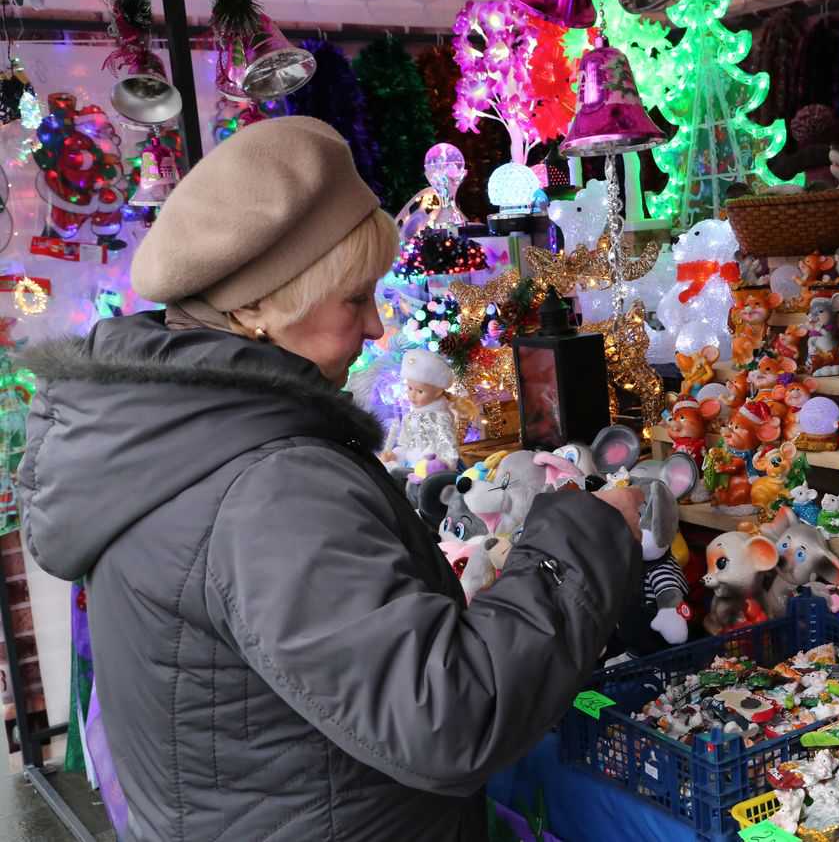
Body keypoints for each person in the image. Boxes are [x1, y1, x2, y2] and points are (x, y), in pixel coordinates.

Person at [17, 117, 644, 841]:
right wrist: (588, 537)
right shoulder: (267, 486)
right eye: (354, 299)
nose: (378, 327)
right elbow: (449, 713)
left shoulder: (169, 431)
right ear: (256, 307)